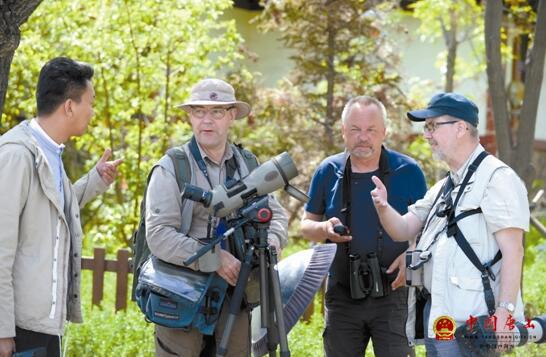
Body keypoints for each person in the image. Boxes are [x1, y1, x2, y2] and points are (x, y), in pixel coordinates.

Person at [370, 92, 529, 355]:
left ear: (460, 128)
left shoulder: (497, 178)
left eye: (433, 126)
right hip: (439, 320)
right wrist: (383, 207)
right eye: (426, 127)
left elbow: (515, 251)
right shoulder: (446, 186)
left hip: (475, 325)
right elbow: (403, 229)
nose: (426, 134)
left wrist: (505, 313)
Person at [145, 78, 288, 356]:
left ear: (232, 115)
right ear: (189, 117)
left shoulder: (248, 164)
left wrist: (270, 244)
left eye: (217, 112)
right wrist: (213, 259)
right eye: (199, 112)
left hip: (237, 293)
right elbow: (159, 235)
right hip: (182, 294)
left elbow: (276, 215)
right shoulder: (172, 167)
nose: (206, 121)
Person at [0, 57, 122, 357]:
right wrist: (2, 331)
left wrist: (95, 180)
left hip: (44, 325)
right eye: (89, 103)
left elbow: (55, 211)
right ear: (69, 106)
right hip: (18, 328)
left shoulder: (51, 153)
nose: (92, 112)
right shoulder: (17, 155)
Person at [301, 96, 427, 357]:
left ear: (384, 132)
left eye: (371, 130)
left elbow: (430, 229)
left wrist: (411, 252)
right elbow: (306, 225)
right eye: (355, 130)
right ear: (343, 132)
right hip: (342, 293)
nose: (363, 137)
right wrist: (324, 229)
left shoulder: (408, 171)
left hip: (395, 292)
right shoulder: (327, 170)